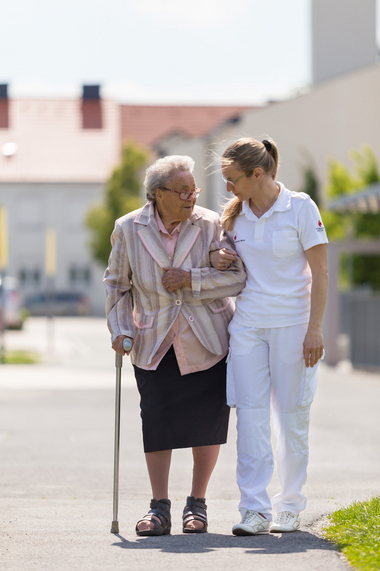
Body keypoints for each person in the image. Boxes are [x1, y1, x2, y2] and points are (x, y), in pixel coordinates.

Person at [103, 155, 246, 536]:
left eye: (193, 189)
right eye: (183, 191)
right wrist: (119, 330)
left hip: (208, 338)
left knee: (208, 423)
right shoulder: (129, 228)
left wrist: (191, 279)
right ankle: (159, 507)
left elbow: (237, 278)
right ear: (158, 194)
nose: (191, 196)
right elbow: (117, 287)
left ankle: (197, 504)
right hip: (153, 340)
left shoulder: (212, 224)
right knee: (157, 420)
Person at [211, 137, 328, 535]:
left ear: (257, 174)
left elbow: (321, 273)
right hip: (248, 327)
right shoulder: (234, 216)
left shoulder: (300, 207)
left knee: (292, 417)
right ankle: (254, 510)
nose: (228, 188)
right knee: (250, 416)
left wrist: (314, 329)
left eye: (233, 179)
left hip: (295, 327)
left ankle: (290, 505)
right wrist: (218, 257)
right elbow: (222, 258)